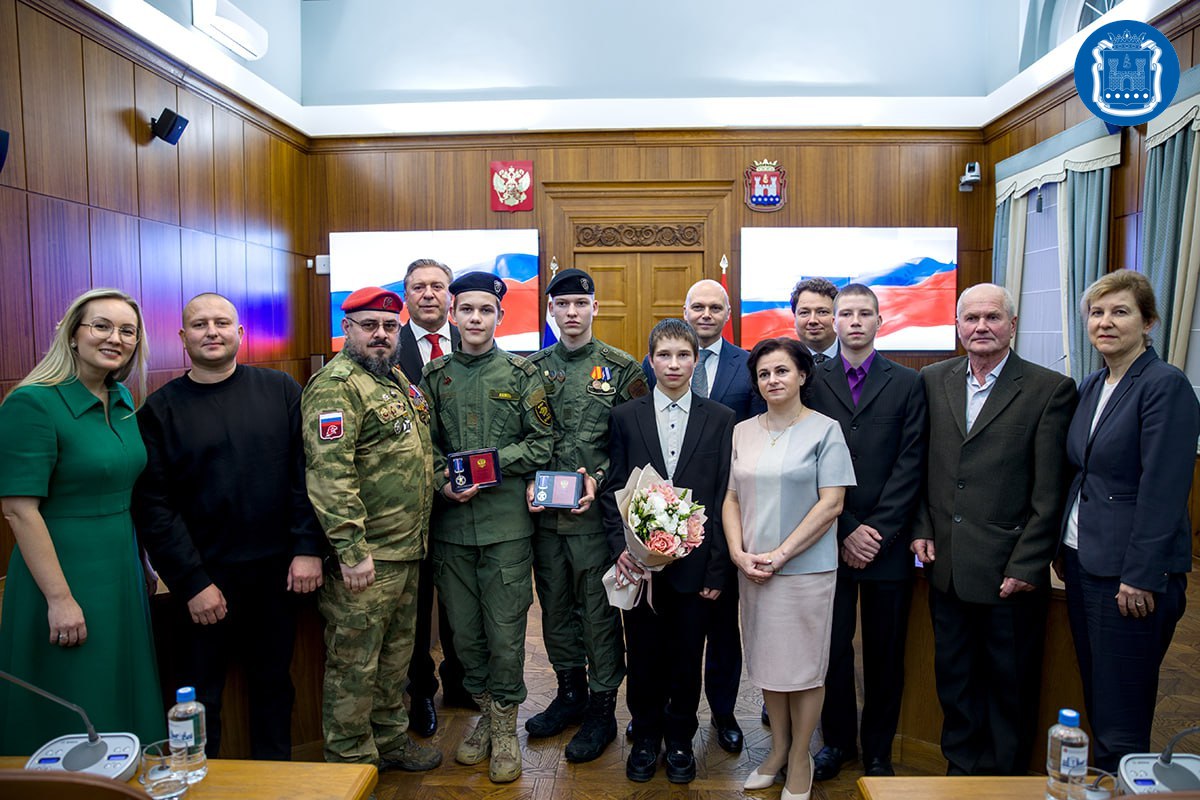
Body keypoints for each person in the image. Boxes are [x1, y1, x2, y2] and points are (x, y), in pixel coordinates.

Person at [132, 293, 325, 760]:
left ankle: (275, 781)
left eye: (222, 323)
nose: (211, 331)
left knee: (274, 687)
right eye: (200, 325)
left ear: (241, 334)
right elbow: (155, 507)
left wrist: (307, 548)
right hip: (203, 583)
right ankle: (202, 786)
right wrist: (193, 582)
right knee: (199, 699)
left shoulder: (280, 389)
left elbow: (308, 474)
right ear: (182, 338)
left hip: (278, 574)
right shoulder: (158, 411)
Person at [913, 283, 1076, 776]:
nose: (981, 327)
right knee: (955, 679)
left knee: (1009, 684)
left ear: (1012, 324)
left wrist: (1028, 563)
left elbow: (1050, 491)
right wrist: (922, 525)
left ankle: (1004, 776)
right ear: (957, 326)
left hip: (1009, 572)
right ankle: (960, 771)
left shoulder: (1049, 389)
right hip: (947, 568)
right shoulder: (933, 379)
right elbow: (921, 464)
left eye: (992, 318)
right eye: (971, 318)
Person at [0, 288, 164, 754]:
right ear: (73, 334)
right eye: (102, 326)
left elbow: (124, 488)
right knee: (78, 692)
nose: (116, 338)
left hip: (120, 569)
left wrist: (143, 561)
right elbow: (18, 509)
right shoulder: (33, 403)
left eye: (127, 331)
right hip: (65, 573)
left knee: (120, 684)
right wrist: (59, 598)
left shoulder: (123, 399)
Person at [1059, 269, 1199, 772]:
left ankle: (1125, 782)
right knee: (1100, 694)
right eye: (1097, 313)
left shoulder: (1165, 385)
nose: (1105, 322)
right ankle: (1106, 780)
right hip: (1083, 562)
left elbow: (1163, 492)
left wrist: (1140, 574)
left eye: (1120, 312)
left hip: (1129, 576)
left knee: (1122, 709)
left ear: (1148, 322)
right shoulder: (1095, 383)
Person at [420, 271, 554, 783]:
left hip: (505, 530)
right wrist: (442, 480)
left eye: (486, 311)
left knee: (504, 633)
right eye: (467, 310)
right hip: (452, 529)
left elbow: (542, 442)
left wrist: (490, 463)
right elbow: (425, 447)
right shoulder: (434, 378)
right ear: (452, 315)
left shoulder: (522, 376)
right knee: (465, 639)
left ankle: (503, 728)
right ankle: (485, 712)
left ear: (500, 316)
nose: (476, 319)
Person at [301, 286, 442, 772]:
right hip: (367, 558)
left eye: (389, 326)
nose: (380, 335)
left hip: (406, 551)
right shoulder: (336, 386)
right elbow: (329, 474)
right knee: (354, 666)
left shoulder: (395, 379)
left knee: (395, 660)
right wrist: (350, 548)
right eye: (369, 326)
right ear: (348, 330)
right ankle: (350, 761)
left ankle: (390, 742)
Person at [602, 318, 735, 785]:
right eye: (664, 355)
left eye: (683, 355)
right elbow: (613, 488)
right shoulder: (625, 416)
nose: (674, 364)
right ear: (651, 360)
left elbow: (724, 498)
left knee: (686, 656)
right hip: (641, 567)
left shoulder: (721, 419)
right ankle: (644, 736)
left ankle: (680, 737)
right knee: (641, 654)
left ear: (696, 361)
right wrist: (623, 548)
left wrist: (717, 571)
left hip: (696, 568)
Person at [723, 337, 855, 800]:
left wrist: (780, 556)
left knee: (804, 671)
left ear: (801, 375)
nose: (772, 380)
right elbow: (732, 498)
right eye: (763, 374)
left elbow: (832, 503)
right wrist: (739, 553)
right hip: (753, 569)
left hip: (805, 572)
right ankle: (777, 751)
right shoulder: (743, 431)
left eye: (781, 371)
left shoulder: (825, 430)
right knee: (768, 667)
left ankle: (801, 757)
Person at [525, 268, 647, 763]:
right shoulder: (530, 369)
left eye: (580, 303)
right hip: (545, 520)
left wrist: (598, 477)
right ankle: (569, 694)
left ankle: (602, 710)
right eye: (562, 304)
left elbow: (637, 446)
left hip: (596, 521)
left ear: (595, 308)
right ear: (550, 310)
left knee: (598, 614)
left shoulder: (622, 370)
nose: (571, 312)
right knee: (554, 611)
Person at [639, 278, 764, 752]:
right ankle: (660, 719)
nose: (706, 313)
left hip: (717, 526)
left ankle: (725, 713)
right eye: (698, 306)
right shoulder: (653, 367)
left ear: (727, 312)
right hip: (654, 539)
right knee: (665, 638)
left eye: (716, 306)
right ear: (685, 310)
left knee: (719, 632)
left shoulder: (746, 365)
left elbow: (749, 441)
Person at [807, 284, 926, 780]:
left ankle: (878, 748)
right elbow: (805, 459)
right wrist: (847, 527)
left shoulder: (907, 382)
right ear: (834, 322)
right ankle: (837, 742)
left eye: (864, 314)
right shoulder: (812, 380)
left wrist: (875, 530)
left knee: (884, 653)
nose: (854, 321)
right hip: (828, 537)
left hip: (888, 545)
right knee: (831, 650)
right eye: (846, 314)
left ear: (881, 321)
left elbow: (912, 461)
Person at [396, 258, 470, 737]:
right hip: (409, 502)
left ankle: (461, 682)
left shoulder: (473, 338)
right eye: (418, 287)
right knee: (418, 604)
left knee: (464, 598)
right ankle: (420, 691)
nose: (428, 294)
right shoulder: (385, 345)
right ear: (406, 296)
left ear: (451, 297)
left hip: (465, 496)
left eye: (437, 286)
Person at [791, 278, 839, 363]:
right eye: (804, 312)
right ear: (795, 317)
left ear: (837, 316)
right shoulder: (784, 361)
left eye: (822, 312)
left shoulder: (856, 358)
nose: (813, 320)